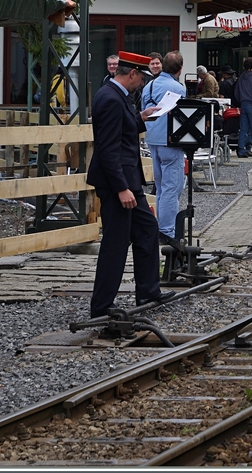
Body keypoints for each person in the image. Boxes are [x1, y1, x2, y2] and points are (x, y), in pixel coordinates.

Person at [87, 51, 174, 320]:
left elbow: (123, 129)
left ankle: (148, 291)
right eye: (141, 78)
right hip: (119, 184)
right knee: (115, 242)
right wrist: (121, 188)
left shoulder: (116, 95)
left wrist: (142, 117)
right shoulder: (111, 99)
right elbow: (108, 148)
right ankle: (101, 306)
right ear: (132, 73)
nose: (143, 84)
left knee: (147, 228)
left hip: (127, 181)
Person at [142, 51, 186, 241]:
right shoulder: (177, 87)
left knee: (160, 187)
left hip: (152, 138)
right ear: (180, 69)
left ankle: (160, 226)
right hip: (170, 140)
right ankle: (167, 231)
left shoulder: (149, 85)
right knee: (171, 187)